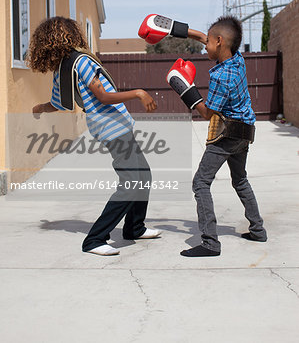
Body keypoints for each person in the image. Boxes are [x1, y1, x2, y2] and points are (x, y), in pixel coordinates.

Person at [27, 16, 162, 256]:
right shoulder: (82, 62)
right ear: (71, 36)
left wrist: (39, 108)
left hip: (108, 125)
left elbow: (58, 104)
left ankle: (134, 227)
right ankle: (95, 239)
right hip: (112, 126)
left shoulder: (63, 68)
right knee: (131, 182)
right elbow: (103, 96)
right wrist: (139, 93)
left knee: (143, 174)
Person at [167, 16, 267, 257]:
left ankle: (211, 243)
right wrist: (173, 28)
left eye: (209, 43)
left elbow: (208, 114)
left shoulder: (221, 77)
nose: (205, 46)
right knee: (240, 179)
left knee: (200, 182)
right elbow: (206, 36)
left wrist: (184, 88)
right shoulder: (238, 59)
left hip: (227, 134)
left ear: (220, 41)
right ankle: (258, 230)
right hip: (245, 132)